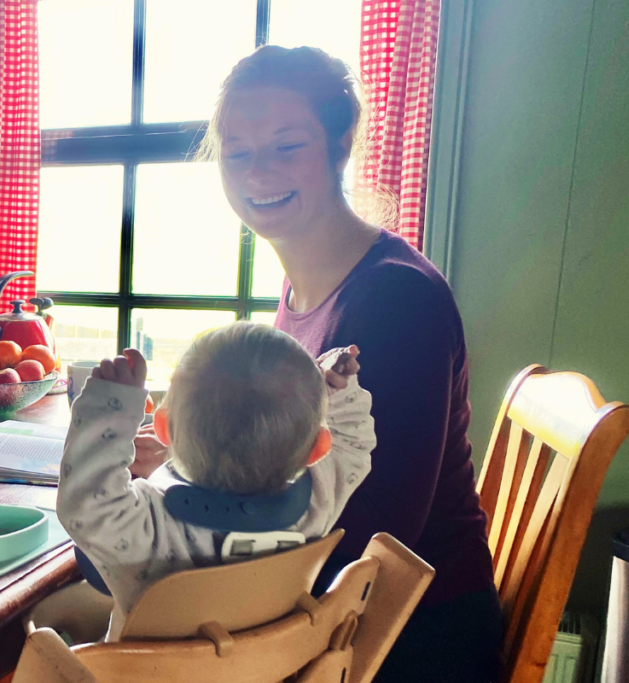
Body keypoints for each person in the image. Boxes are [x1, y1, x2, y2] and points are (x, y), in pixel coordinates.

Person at [132, 46, 501, 682]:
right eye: (239, 151)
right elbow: (291, 467)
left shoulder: (396, 299)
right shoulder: (303, 290)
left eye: (285, 145)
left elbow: (374, 541)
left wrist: (186, 499)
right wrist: (185, 463)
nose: (257, 172)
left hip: (403, 638)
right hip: (324, 609)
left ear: (339, 145)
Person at [58, 323, 376, 641]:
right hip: (264, 671)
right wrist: (339, 389)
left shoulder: (148, 529)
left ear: (163, 430)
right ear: (318, 449)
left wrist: (110, 404)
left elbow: (85, 502)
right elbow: (352, 441)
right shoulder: (317, 504)